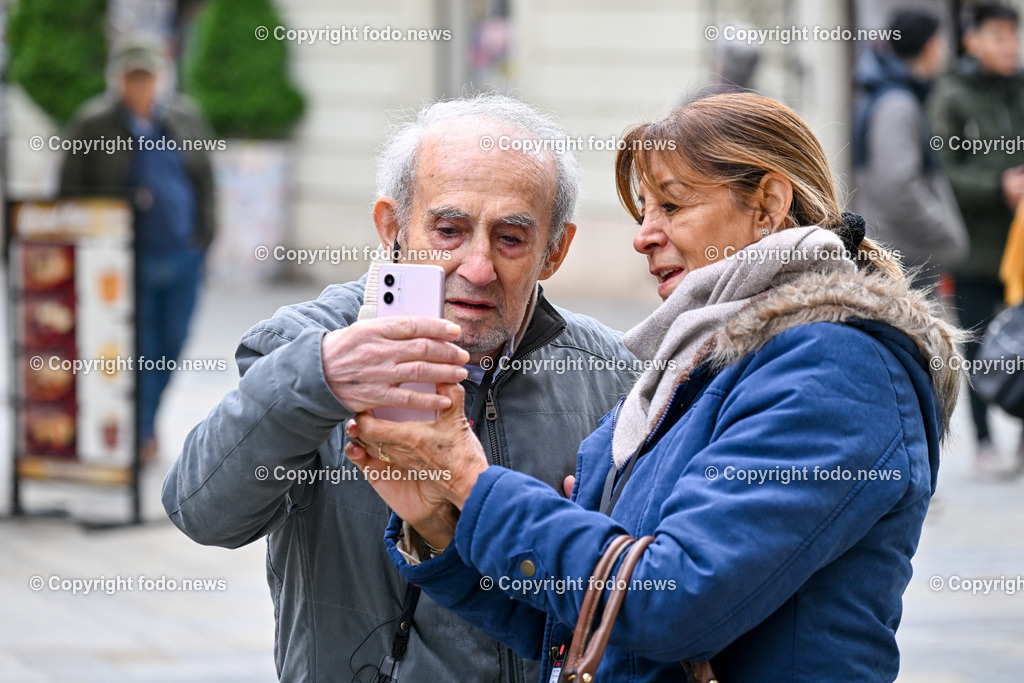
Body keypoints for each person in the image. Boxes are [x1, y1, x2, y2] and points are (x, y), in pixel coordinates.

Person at [345, 93, 964, 682]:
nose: (644, 235)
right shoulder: (686, 367)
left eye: (671, 205)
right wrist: (441, 522)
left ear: (768, 205)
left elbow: (671, 604)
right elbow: (583, 627)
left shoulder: (835, 367)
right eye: (643, 211)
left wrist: (467, 476)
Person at [161, 94, 636, 681]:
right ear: (393, 228)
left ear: (554, 251)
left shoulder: (610, 374)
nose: (478, 267)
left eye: (511, 238)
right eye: (449, 230)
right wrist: (319, 377)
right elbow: (202, 513)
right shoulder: (305, 346)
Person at [59, 41, 217, 463]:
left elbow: (204, 180)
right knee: (140, 349)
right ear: (119, 80)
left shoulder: (183, 116)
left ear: (159, 79)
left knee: (173, 342)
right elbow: (69, 191)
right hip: (127, 260)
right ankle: (141, 430)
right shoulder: (95, 124)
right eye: (133, 78)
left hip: (182, 254)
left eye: (147, 77)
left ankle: (144, 423)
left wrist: (204, 237)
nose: (141, 86)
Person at [929, 2, 1024, 471]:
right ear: (972, 40)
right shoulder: (951, 95)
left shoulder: (1020, 89)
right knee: (979, 344)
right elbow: (942, 171)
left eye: (1014, 36)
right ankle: (984, 442)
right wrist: (997, 186)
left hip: (1020, 243)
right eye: (998, 36)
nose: (1010, 46)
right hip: (974, 246)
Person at [852, 9, 968, 289]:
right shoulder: (897, 104)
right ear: (930, 47)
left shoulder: (891, 94)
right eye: (942, 43)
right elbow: (899, 188)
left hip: (901, 251)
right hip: (905, 255)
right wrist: (945, 232)